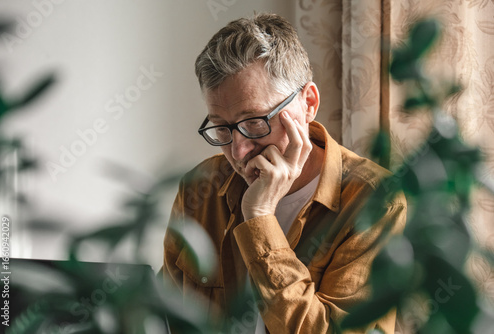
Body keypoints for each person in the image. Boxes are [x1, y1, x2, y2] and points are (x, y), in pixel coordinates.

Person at [162, 13, 407, 333]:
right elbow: (165, 312)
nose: (238, 151)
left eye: (254, 123)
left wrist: (260, 218)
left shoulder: (375, 201)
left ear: (308, 103)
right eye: (222, 128)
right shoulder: (201, 188)